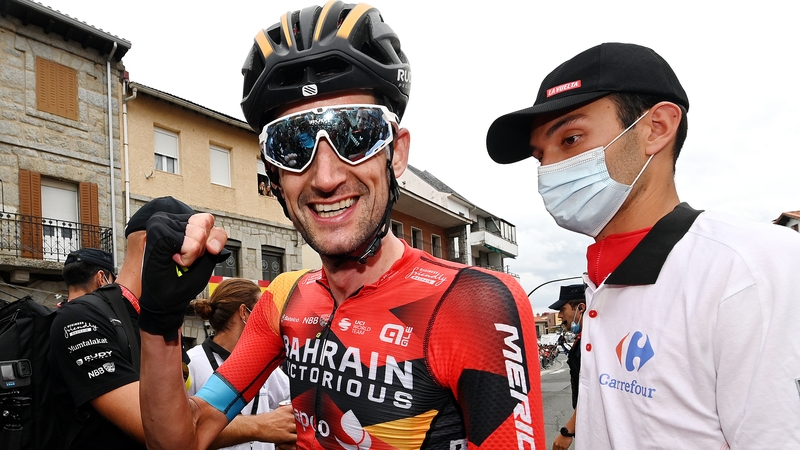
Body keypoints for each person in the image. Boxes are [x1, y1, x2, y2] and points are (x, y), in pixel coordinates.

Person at [137, 2, 546, 449]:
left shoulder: (474, 303)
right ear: (273, 174)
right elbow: (180, 440)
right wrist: (160, 317)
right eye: (293, 145)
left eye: (356, 133)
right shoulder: (284, 299)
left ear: (398, 152)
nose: (327, 178)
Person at [486, 42, 800, 449]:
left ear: (657, 128)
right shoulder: (600, 279)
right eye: (540, 155)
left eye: (571, 139)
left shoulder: (746, 267)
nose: (550, 169)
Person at [50, 196, 296, 450]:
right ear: (151, 245)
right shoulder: (80, 318)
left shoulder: (165, 317)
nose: (200, 269)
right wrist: (262, 426)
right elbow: (158, 430)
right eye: (192, 253)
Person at [187, 278, 291, 450]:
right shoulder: (192, 363)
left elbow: (291, 401)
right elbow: (181, 433)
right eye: (263, 311)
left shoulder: (264, 363)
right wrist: (258, 426)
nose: (269, 318)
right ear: (244, 313)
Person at [548, 284, 585, 450]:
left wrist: (567, 431)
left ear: (580, 308)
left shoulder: (590, 343)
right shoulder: (585, 338)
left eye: (563, 309)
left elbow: (592, 391)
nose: (560, 315)